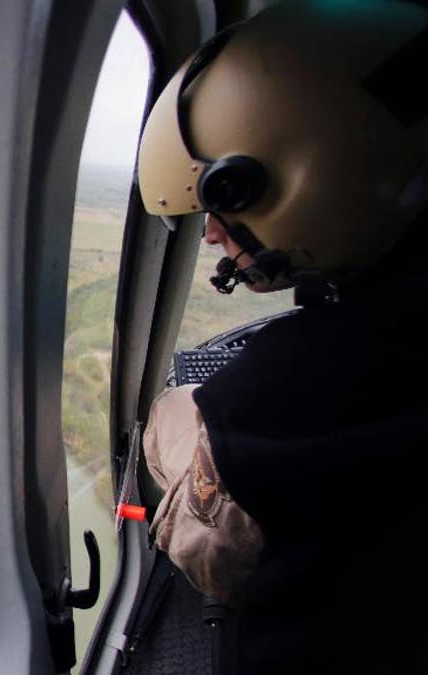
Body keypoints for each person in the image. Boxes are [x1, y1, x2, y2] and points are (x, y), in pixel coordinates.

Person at [135, 0, 428, 670]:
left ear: (309, 176)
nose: (210, 232)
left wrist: (179, 422)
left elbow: (204, 546)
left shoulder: (292, 393)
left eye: (222, 203)